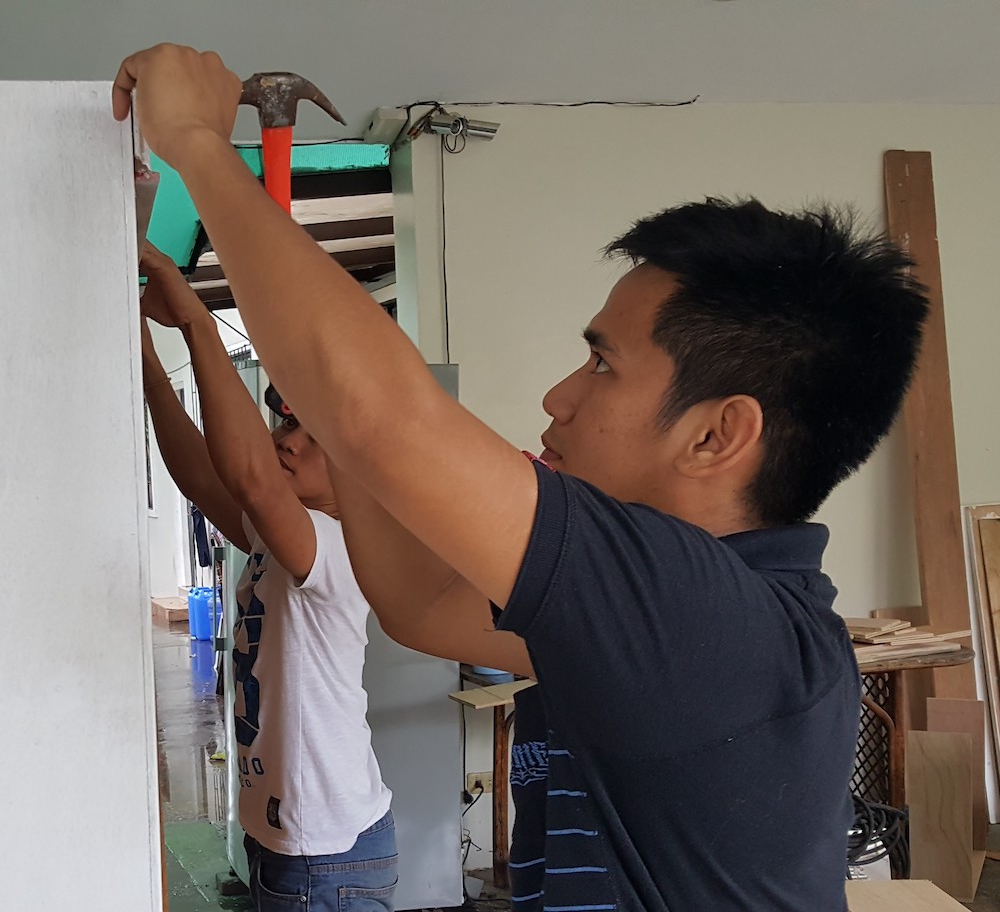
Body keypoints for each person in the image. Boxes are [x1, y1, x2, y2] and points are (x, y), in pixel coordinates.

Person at [114, 46, 929, 911]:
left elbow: (385, 418)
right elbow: (421, 603)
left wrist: (197, 140)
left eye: (602, 365)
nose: (559, 396)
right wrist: (337, 438)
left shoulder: (712, 622)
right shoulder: (667, 624)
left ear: (718, 434)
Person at [138, 244, 397, 912]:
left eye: (313, 439)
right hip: (296, 847)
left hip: (327, 858)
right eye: (289, 424)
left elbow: (249, 474)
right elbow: (201, 474)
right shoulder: (281, 539)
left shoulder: (334, 549)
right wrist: (143, 358)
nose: (288, 440)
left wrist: (199, 322)